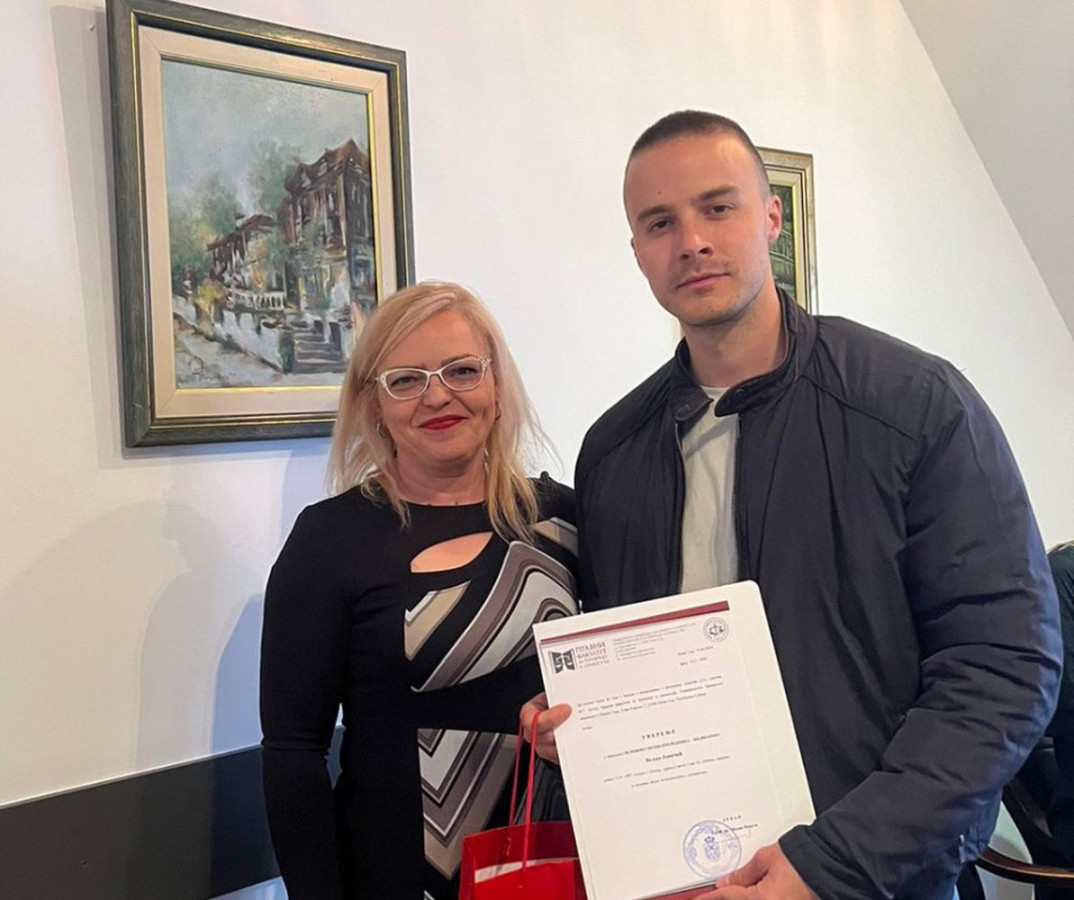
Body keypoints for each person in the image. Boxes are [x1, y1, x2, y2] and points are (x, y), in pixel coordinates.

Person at [523, 111, 1061, 900]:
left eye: (718, 207)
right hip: (686, 878)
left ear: (771, 217)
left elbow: (1003, 666)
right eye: (660, 223)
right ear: (636, 251)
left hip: (877, 878)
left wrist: (833, 861)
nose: (691, 242)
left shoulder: (916, 406)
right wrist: (587, 725)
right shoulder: (613, 450)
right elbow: (632, 654)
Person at [260, 281, 579, 899]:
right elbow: (293, 754)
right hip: (394, 880)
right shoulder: (329, 541)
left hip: (554, 866)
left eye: (462, 370)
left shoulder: (565, 521)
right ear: (373, 404)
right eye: (405, 380)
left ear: (496, 384)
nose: (437, 396)